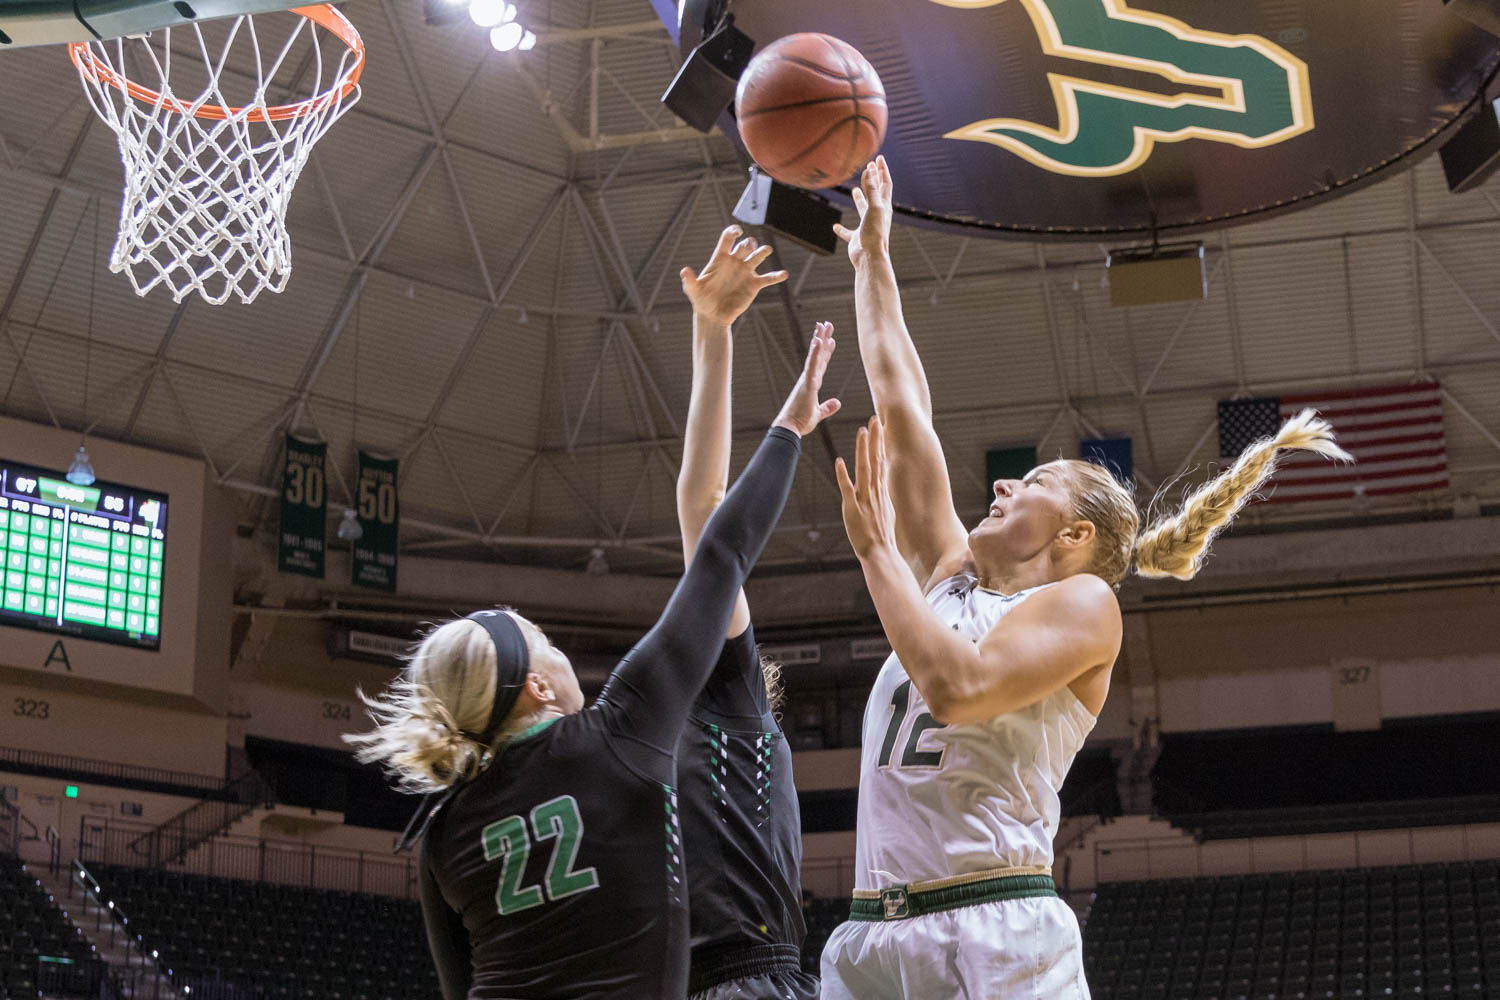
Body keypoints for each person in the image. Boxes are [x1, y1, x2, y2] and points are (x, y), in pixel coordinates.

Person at [821, 156, 1351, 999]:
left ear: (1074, 534)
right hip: (868, 935)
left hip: (991, 926)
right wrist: (875, 261)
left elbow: (959, 688)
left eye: (1029, 482)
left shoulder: (1083, 604)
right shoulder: (949, 580)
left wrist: (878, 556)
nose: (1000, 484)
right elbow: (900, 404)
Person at [344, 319, 839, 999]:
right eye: (547, 641)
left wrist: (716, 336)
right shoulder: (620, 736)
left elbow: (705, 517)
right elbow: (719, 544)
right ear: (536, 688)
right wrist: (783, 425)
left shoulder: (446, 825)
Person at [675, 226, 833, 1000]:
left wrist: (714, 335)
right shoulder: (643, 738)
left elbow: (707, 516)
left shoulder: (729, 711)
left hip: (746, 983)